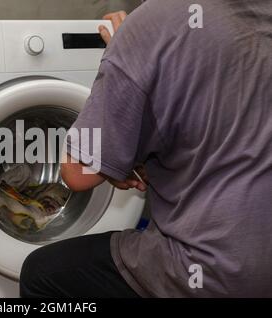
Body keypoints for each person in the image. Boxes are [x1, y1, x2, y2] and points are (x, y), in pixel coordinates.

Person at [20, 0, 272, 298]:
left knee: (42, 273)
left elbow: (78, 172)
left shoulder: (152, 23)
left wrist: (126, 54)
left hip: (215, 273)